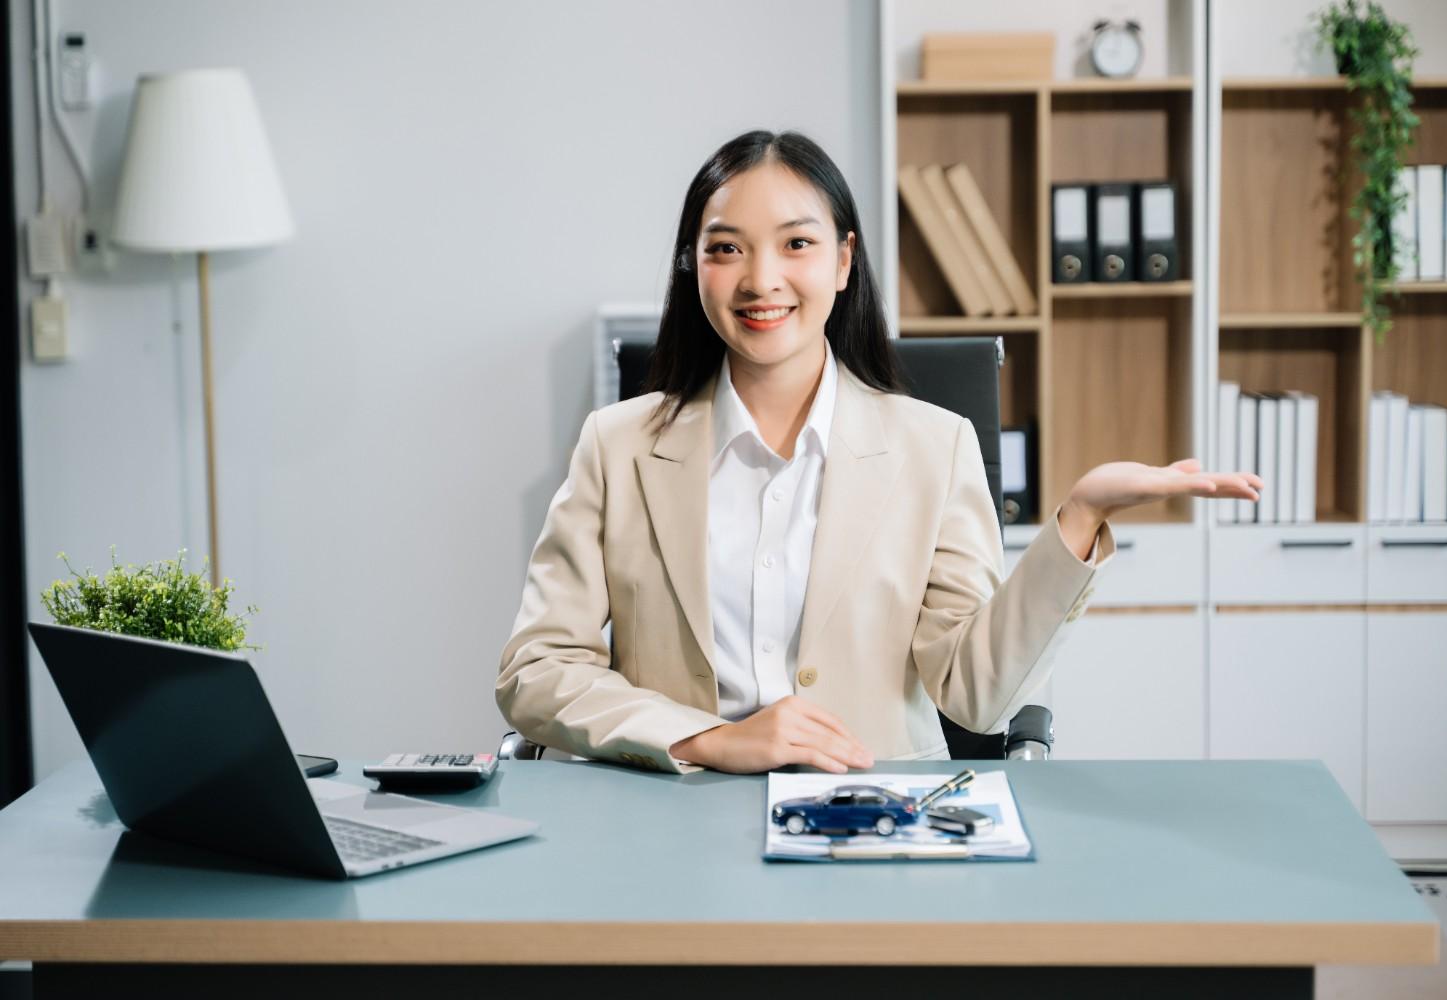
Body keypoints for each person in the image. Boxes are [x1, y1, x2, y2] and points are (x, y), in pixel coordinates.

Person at [497, 129, 1261, 776]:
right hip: (674, 818)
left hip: (878, 823)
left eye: (797, 243)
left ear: (842, 260)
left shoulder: (936, 447)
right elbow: (538, 669)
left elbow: (977, 695)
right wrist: (709, 739)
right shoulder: (618, 445)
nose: (763, 279)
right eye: (727, 248)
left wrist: (1080, 518)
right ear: (693, 264)